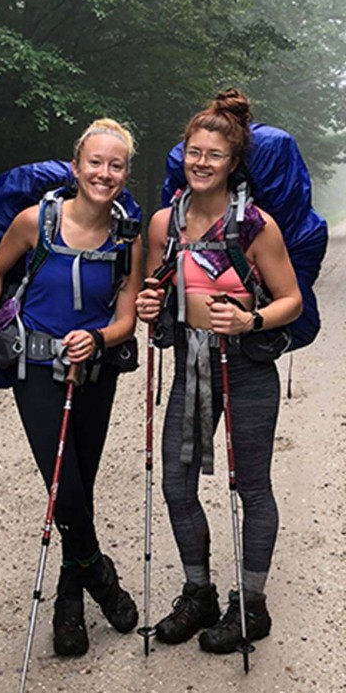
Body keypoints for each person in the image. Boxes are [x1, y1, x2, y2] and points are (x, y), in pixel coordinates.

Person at [0, 118, 142, 657]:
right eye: (95, 162)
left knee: (78, 487)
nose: (103, 173)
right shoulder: (35, 221)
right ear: (76, 164)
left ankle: (69, 598)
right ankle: (99, 579)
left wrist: (99, 336)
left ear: (126, 173)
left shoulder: (127, 237)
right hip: (35, 369)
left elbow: (127, 320)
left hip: (94, 372)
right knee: (64, 486)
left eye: (115, 165)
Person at [136, 89, 302, 654]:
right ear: (182, 153)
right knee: (177, 483)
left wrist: (250, 320)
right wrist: (149, 308)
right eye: (193, 151)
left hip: (249, 367)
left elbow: (291, 302)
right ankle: (199, 592)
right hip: (192, 366)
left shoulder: (255, 226)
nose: (201, 162)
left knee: (252, 488)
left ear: (234, 163)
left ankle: (251, 606)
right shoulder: (164, 223)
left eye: (214, 154)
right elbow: (152, 294)